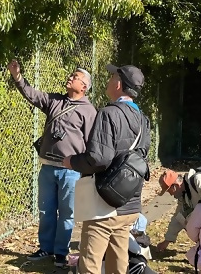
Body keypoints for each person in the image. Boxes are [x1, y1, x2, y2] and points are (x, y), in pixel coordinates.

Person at [7, 60, 98, 268]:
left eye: (75, 77)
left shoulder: (89, 111)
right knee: (46, 211)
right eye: (72, 74)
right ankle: (45, 248)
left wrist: (84, 168)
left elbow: (91, 143)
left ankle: (60, 253)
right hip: (47, 167)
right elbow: (31, 94)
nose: (70, 77)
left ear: (84, 87)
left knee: (67, 213)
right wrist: (17, 76)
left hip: (70, 171)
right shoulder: (54, 101)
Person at [64, 64, 151, 274]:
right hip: (129, 202)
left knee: (90, 263)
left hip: (105, 204)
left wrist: (72, 162)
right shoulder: (144, 120)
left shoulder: (108, 114)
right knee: (118, 261)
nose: (109, 81)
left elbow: (99, 159)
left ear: (119, 84)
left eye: (112, 77)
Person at [156, 167, 201, 252]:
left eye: (169, 191)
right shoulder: (183, 194)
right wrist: (167, 240)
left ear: (175, 186)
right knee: (185, 219)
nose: (170, 194)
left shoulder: (197, 180)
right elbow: (178, 217)